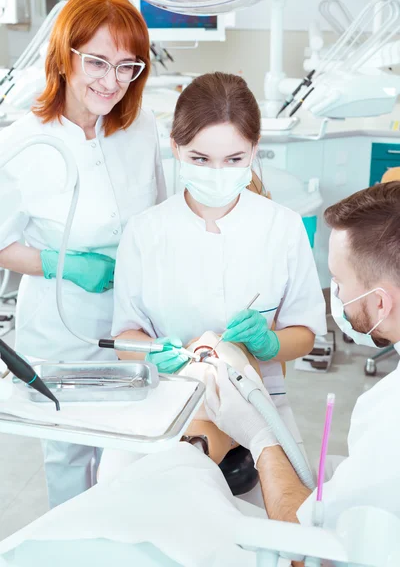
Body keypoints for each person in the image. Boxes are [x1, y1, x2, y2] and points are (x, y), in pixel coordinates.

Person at [103, 72, 326, 480]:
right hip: (166, 393)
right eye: (200, 159)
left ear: (254, 150)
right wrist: (150, 349)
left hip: (259, 401)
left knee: (284, 509)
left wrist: (269, 341)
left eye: (234, 160)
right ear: (175, 148)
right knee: (121, 483)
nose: (217, 172)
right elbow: (125, 337)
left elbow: (306, 332)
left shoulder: (283, 227)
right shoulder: (146, 231)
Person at [0, 0, 166, 508]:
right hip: (59, 330)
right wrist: (62, 264)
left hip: (135, 325)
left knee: (133, 452)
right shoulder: (21, 141)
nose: (111, 81)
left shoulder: (140, 127)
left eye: (127, 67)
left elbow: (160, 213)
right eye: (97, 61)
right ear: (65, 56)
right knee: (70, 458)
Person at [206, 181, 400, 528]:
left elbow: (307, 543)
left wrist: (261, 438)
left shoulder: (389, 414)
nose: (335, 294)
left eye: (338, 283)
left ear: (381, 303)